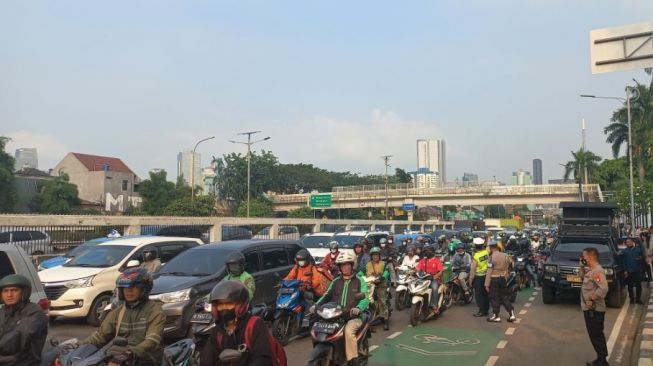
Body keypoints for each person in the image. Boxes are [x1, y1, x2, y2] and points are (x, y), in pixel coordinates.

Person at [82, 268, 165, 366]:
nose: (128, 291)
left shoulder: (155, 311)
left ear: (144, 289)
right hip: (117, 357)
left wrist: (130, 353)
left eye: (133, 287)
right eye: (125, 288)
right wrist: (77, 346)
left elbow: (152, 340)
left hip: (145, 358)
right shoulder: (118, 312)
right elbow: (100, 336)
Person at [311, 251, 369, 364]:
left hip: (353, 317)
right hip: (335, 315)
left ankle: (352, 360)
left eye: (347, 264)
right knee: (317, 327)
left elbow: (365, 298)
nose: (344, 268)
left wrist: (358, 308)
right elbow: (326, 295)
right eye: (342, 265)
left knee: (348, 331)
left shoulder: (359, 280)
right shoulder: (336, 281)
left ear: (352, 265)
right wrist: (316, 305)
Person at [199, 281, 273, 366]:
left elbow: (263, 358)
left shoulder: (255, 325)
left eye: (229, 303)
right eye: (220, 304)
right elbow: (208, 357)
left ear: (241, 306)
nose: (224, 308)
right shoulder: (219, 329)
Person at [0, 274, 48, 366]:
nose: (9, 295)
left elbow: (18, 337)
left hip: (25, 362)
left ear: (23, 292)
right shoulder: (2, 312)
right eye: (5, 291)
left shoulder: (35, 312)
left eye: (14, 290)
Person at [580, 247, 609, 366]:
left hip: (595, 309)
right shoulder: (591, 270)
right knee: (594, 335)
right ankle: (600, 358)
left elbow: (603, 288)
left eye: (584, 256)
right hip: (590, 309)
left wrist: (592, 298)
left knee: (596, 335)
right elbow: (584, 280)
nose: (583, 258)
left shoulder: (597, 271)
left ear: (590, 257)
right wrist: (582, 267)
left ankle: (602, 361)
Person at [283, 249, 329, 317]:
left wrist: (310, 284)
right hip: (297, 288)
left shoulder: (312, 268)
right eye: (299, 260)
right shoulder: (296, 267)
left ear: (307, 260)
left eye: (302, 260)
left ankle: (309, 315)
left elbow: (316, 280)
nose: (301, 262)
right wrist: (284, 282)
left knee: (307, 298)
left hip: (308, 289)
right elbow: (289, 276)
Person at [485, 241, 515, 323]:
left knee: (494, 297)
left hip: (494, 278)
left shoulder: (491, 257)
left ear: (491, 248)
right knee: (505, 297)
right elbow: (511, 264)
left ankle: (496, 316)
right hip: (503, 278)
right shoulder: (505, 255)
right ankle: (512, 314)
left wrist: (486, 284)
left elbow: (489, 270)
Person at [415, 244, 445, 314]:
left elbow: (441, 271)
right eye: (426, 251)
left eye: (428, 251)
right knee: (414, 285)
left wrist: (436, 275)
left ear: (432, 252)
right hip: (423, 278)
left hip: (433, 279)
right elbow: (417, 268)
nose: (426, 253)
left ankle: (434, 305)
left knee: (434, 288)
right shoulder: (423, 260)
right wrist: (414, 270)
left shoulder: (437, 260)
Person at [366, 247, 390, 330]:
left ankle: (386, 321)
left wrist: (383, 277)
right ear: (371, 256)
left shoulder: (383, 264)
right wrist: (357, 275)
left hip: (381, 285)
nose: (375, 257)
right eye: (373, 255)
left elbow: (386, 272)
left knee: (382, 301)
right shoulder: (368, 264)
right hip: (369, 285)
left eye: (377, 255)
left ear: (379, 256)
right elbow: (360, 272)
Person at [470, 237, 490, 317]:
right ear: (482, 245)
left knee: (479, 295)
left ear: (475, 246)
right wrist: (488, 238)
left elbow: (473, 269)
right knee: (485, 294)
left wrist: (471, 279)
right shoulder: (486, 252)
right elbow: (488, 246)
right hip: (486, 276)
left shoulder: (475, 256)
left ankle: (481, 311)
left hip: (478, 277)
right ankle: (486, 310)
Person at [621, 238, 644, 304]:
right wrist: (625, 270)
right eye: (627, 242)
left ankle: (638, 299)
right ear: (626, 244)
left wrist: (639, 258)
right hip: (629, 271)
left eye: (629, 242)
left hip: (638, 270)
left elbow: (642, 257)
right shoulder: (625, 251)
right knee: (630, 286)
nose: (628, 243)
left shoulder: (638, 249)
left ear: (632, 242)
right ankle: (632, 299)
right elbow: (623, 262)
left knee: (638, 285)